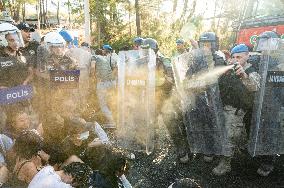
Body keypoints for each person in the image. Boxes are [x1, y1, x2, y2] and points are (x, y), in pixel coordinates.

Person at [217, 43, 260, 176]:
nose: (236, 59)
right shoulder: (230, 67)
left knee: (230, 136)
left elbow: (255, 87)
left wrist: (244, 76)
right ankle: (240, 147)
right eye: (234, 57)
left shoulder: (251, 70)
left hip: (237, 110)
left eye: (239, 57)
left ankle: (225, 164)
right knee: (230, 134)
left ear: (247, 56)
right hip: (225, 107)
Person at [28, 162, 93, 188]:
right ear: (71, 178)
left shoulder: (48, 169)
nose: (70, 185)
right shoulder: (60, 186)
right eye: (73, 184)